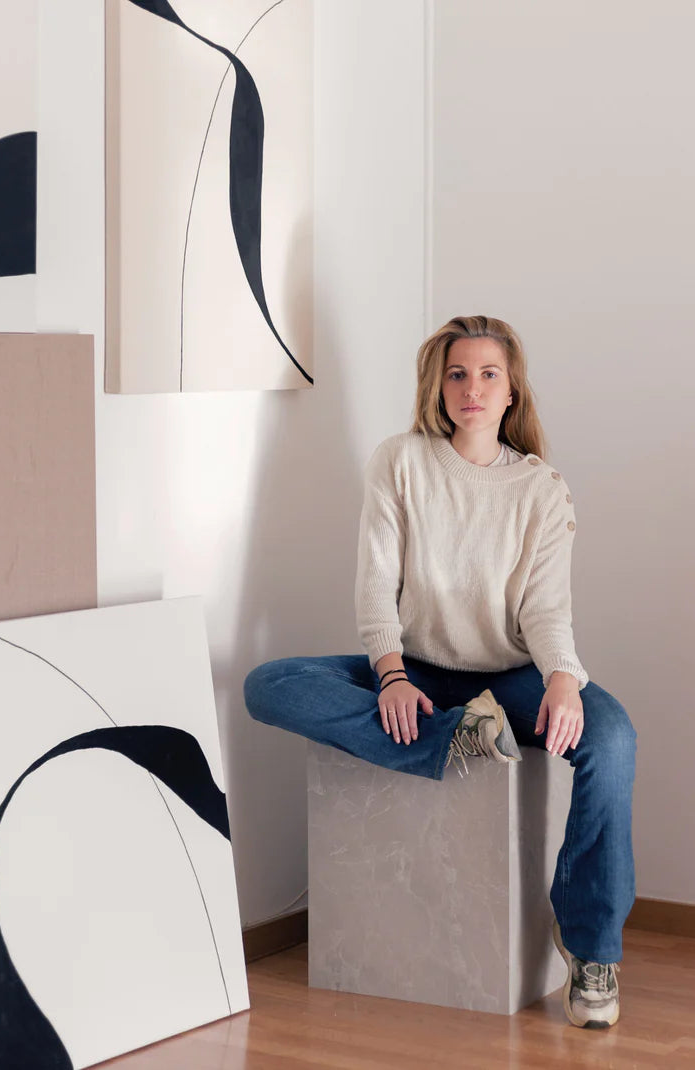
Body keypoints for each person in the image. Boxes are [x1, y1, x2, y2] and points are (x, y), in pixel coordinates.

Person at [244, 315, 635, 1029]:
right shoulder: (400, 461)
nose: (471, 388)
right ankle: (456, 735)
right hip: (416, 672)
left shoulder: (542, 489)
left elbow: (547, 608)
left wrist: (562, 677)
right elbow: (376, 585)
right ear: (438, 386)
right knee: (269, 684)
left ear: (512, 390)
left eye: (488, 374)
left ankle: (591, 947)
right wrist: (391, 675)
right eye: (457, 373)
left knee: (612, 739)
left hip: (510, 677)